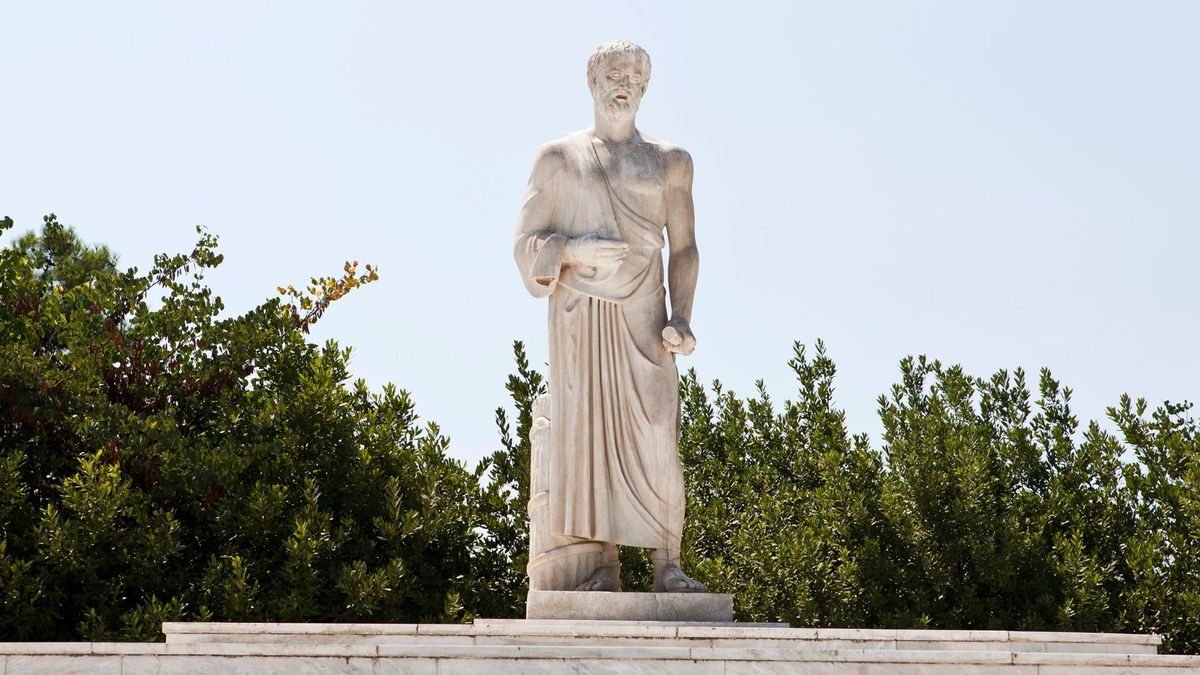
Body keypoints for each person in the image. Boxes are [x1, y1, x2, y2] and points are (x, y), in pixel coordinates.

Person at [513, 40, 704, 593]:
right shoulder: (558, 159)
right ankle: (600, 566)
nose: (625, 83)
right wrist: (572, 252)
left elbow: (685, 247)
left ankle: (668, 564)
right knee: (584, 439)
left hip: (646, 318)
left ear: (645, 88)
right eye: (615, 73)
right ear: (592, 81)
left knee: (657, 437)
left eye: (636, 76)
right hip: (581, 315)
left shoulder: (671, 162)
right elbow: (526, 244)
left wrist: (684, 316)